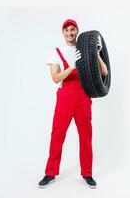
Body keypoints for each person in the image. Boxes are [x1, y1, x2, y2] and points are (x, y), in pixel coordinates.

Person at [38, 19, 108, 189]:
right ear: (63, 33)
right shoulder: (56, 52)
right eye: (66, 30)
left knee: (86, 137)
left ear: (77, 31)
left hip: (83, 98)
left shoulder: (86, 50)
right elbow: (55, 78)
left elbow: (104, 72)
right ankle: (50, 173)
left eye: (72, 29)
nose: (69, 33)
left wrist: (97, 53)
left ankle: (87, 174)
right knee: (57, 135)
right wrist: (71, 68)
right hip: (65, 98)